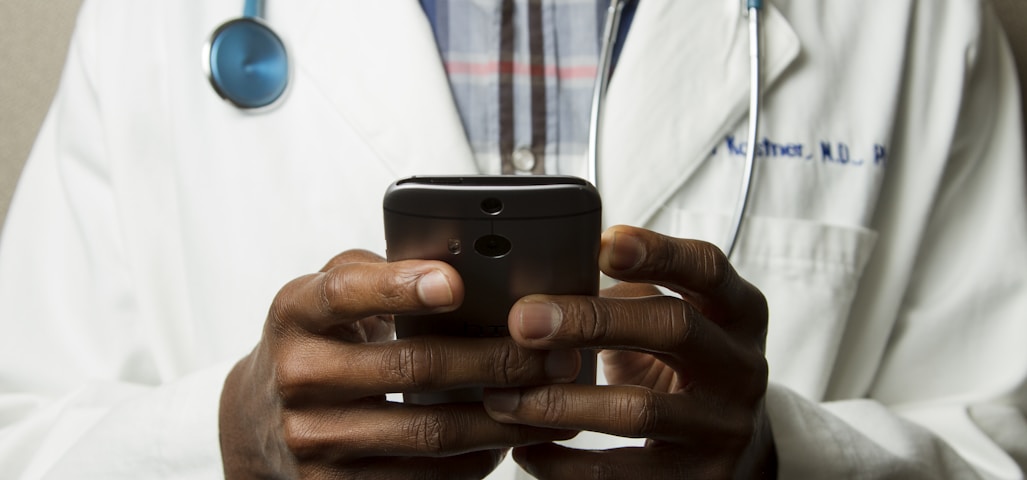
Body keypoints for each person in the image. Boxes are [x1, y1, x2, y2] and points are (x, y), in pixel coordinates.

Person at [1, 0, 1025, 478]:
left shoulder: (916, 19)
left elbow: (999, 444)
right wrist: (226, 439)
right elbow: (24, 440)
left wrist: (779, 460)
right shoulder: (152, 18)